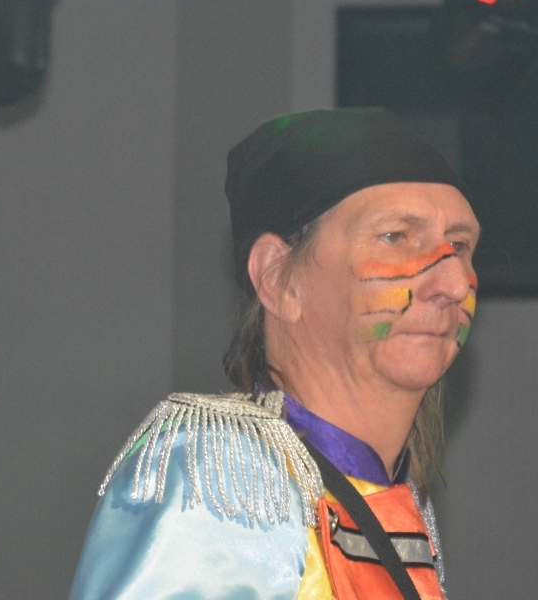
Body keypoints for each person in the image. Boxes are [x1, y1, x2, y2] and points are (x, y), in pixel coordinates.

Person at [69, 108, 479, 600]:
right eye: (395, 237)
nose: (454, 281)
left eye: (460, 245)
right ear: (277, 279)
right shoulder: (221, 480)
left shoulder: (396, 496)